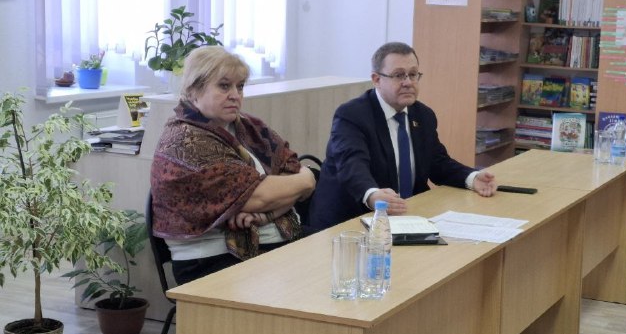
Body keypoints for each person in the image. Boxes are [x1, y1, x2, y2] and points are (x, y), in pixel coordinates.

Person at [150, 46, 316, 285]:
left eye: (240, 86)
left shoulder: (247, 126)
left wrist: (266, 214)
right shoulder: (185, 141)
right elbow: (258, 196)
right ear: (194, 90)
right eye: (224, 86)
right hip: (211, 260)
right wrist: (306, 179)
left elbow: (289, 167)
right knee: (319, 279)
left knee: (340, 255)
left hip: (270, 240)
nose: (235, 95)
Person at [308, 41, 497, 231]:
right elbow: (352, 165)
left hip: (405, 217)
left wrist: (471, 178)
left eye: (413, 74)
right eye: (399, 75)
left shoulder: (423, 115)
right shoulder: (352, 115)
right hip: (349, 222)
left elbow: (437, 163)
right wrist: (372, 195)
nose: (408, 82)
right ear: (376, 79)